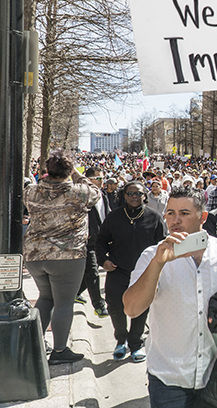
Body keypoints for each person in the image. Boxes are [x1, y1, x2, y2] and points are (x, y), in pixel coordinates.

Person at [123, 186, 217, 407]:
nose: (175, 220)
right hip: (168, 380)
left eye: (184, 213)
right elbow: (132, 309)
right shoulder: (151, 256)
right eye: (170, 213)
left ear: (202, 217)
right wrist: (158, 263)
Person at [23, 150, 101, 364]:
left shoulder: (31, 191)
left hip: (35, 254)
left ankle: (31, 346)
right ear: (69, 171)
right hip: (68, 255)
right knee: (64, 303)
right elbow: (96, 190)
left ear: (48, 170)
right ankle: (59, 351)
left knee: (45, 298)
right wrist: (76, 173)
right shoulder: (79, 192)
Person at [96, 180, 166, 362]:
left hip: (145, 272)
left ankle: (136, 343)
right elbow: (101, 241)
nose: (135, 197)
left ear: (145, 196)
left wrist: (157, 265)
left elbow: (163, 244)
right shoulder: (114, 217)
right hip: (118, 269)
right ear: (124, 195)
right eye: (131, 193)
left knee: (141, 307)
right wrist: (104, 260)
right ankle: (121, 340)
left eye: (139, 194)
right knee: (115, 305)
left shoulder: (155, 217)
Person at [75, 167, 110, 317]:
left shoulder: (103, 195)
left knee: (88, 272)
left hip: (100, 240)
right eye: (98, 179)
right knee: (93, 271)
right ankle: (99, 306)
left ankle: (75, 292)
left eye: (103, 178)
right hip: (87, 241)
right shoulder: (82, 196)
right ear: (88, 180)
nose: (102, 182)